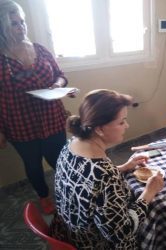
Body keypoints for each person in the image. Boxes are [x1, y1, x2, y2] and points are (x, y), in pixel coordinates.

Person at [50, 89, 164, 249]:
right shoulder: (104, 172)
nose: (127, 125)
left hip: (66, 232)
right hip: (93, 244)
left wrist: (124, 167)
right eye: (121, 122)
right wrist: (149, 192)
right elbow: (123, 232)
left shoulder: (71, 144)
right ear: (99, 129)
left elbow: (89, 182)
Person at [0, 0, 70, 214]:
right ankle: (44, 196)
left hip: (52, 117)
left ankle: (67, 191)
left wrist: (57, 85)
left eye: (22, 22)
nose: (21, 27)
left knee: (60, 159)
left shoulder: (40, 49)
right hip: (19, 124)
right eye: (14, 24)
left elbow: (61, 76)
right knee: (33, 165)